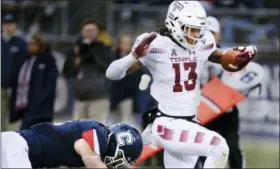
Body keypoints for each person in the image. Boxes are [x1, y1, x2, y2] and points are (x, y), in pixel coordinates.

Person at [106, 1, 257, 168]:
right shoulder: (156, 44)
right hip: (167, 123)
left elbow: (219, 56)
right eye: (190, 29)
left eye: (198, 29)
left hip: (190, 122)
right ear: (174, 23)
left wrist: (237, 56)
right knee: (218, 146)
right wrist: (133, 55)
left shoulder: (202, 41)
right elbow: (112, 74)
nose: (195, 34)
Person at [195, 16, 265, 169]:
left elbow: (248, 76)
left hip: (226, 110)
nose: (209, 36)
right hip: (202, 111)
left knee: (233, 148)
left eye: (212, 32)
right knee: (201, 150)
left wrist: (248, 87)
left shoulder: (229, 55)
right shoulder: (194, 54)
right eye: (206, 32)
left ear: (219, 34)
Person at [1, 120, 143, 168]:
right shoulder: (99, 133)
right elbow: (81, 145)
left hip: (16, 148)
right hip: (16, 147)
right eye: (120, 162)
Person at [63, 19, 114, 122]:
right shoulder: (75, 50)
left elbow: (109, 68)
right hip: (80, 98)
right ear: (82, 32)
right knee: (79, 132)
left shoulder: (104, 48)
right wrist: (76, 61)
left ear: (97, 32)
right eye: (87, 30)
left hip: (99, 97)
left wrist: (92, 49)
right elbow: (66, 72)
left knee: (97, 131)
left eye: (92, 30)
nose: (90, 33)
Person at [9, 34, 58, 129]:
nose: (30, 46)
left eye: (33, 44)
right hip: (25, 106)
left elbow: (51, 83)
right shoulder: (25, 60)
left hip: (41, 108)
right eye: (29, 44)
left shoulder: (48, 60)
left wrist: (40, 99)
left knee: (34, 133)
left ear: (40, 45)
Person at [1, 13, 27, 131]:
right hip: (0, 87)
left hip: (16, 89)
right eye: (6, 24)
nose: (8, 27)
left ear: (15, 26)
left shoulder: (21, 44)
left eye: (11, 24)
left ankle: (12, 145)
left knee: (14, 120)